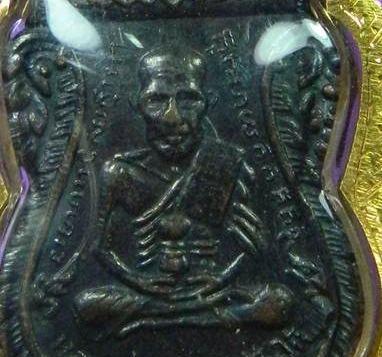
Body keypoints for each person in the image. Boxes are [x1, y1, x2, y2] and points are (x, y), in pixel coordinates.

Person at [75, 47, 295, 338]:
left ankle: (159, 317)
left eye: (188, 99)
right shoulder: (119, 173)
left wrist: (220, 280)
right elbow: (98, 248)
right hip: (149, 291)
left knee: (280, 300)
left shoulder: (224, 162)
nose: (172, 117)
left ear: (208, 102)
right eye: (157, 100)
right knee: (85, 304)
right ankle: (213, 316)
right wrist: (140, 282)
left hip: (209, 287)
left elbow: (251, 247)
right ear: (137, 103)